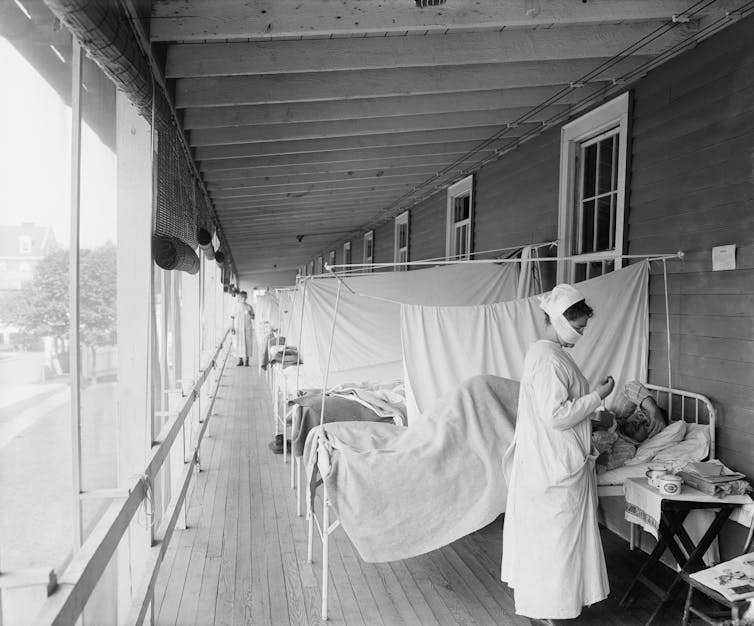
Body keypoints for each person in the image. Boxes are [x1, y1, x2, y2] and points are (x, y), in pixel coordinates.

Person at [501, 284, 615, 623]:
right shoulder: (548, 357)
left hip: (550, 460)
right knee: (556, 542)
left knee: (553, 541)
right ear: (561, 321)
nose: (581, 334)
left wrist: (593, 418)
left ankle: (552, 605)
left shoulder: (550, 354)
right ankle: (551, 607)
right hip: (552, 466)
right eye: (579, 327)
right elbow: (556, 415)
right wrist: (598, 396)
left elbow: (556, 410)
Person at [230, 291, 255, 366]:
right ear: (239, 297)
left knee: (247, 343)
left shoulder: (249, 307)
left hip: (247, 328)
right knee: (239, 343)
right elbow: (232, 317)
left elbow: (253, 317)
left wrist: (250, 313)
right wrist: (232, 327)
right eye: (243, 297)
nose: (244, 298)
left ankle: (247, 361)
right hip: (238, 328)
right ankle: (240, 360)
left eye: (245, 297)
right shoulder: (235, 307)